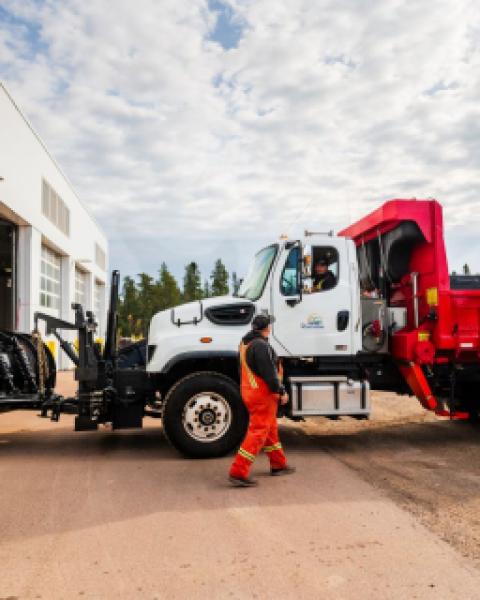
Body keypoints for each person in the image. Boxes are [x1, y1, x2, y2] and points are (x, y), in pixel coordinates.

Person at [229, 314, 295, 487]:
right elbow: (270, 374)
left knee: (269, 429)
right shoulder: (261, 346)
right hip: (262, 395)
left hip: (250, 392)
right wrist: (281, 392)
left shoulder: (246, 343)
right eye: (270, 325)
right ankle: (238, 472)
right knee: (258, 431)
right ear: (267, 328)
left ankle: (278, 464)